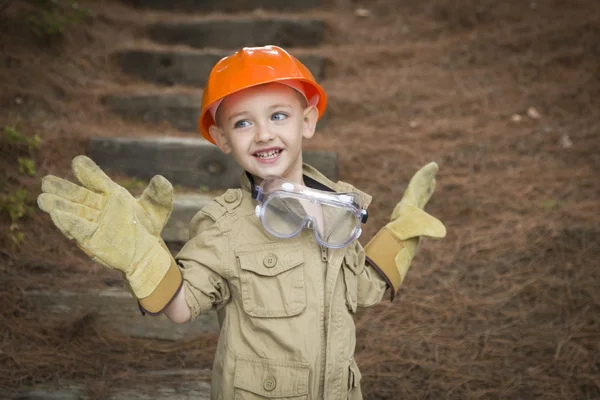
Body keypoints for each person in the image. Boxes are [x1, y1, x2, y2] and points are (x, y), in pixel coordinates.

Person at [37, 45, 446, 399]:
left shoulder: (338, 209)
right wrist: (140, 253)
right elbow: (181, 309)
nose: (264, 134)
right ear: (222, 139)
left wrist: (401, 234)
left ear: (307, 121)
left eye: (279, 116)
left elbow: (361, 290)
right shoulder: (224, 227)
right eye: (243, 123)